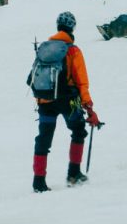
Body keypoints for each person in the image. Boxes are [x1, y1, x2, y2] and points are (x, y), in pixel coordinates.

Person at [28, 12, 100, 192]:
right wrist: (89, 107)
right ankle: (74, 173)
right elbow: (82, 81)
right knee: (78, 130)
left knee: (43, 139)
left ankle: (38, 180)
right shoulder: (72, 50)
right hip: (68, 100)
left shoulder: (45, 48)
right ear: (72, 27)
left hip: (45, 101)